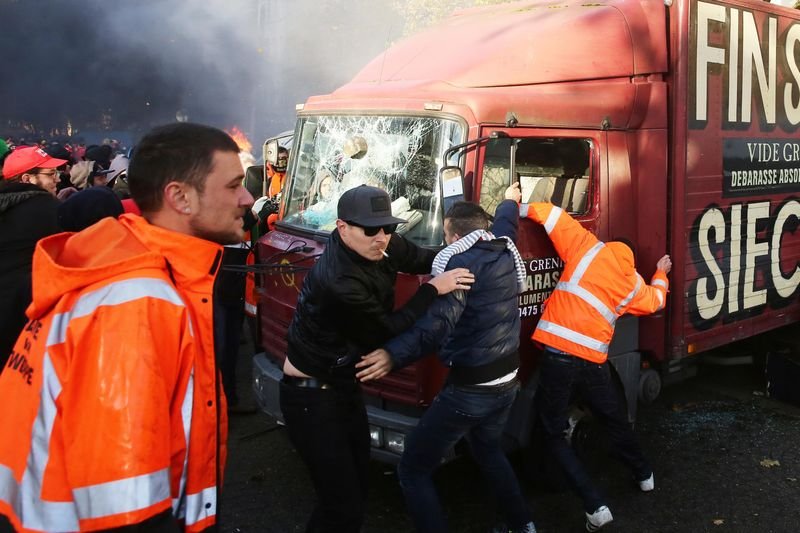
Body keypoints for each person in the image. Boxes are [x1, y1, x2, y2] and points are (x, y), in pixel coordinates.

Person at [0, 123, 254, 532]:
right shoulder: (134, 304)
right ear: (180, 197)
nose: (247, 198)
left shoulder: (136, 268)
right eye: (234, 185)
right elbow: (122, 503)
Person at [280, 184, 474, 532]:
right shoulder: (339, 281)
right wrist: (432, 288)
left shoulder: (382, 245)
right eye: (371, 229)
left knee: (356, 489)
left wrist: (468, 250)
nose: (382, 237)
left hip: (343, 386)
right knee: (341, 506)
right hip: (309, 397)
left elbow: (424, 258)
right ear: (342, 228)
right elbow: (387, 330)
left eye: (388, 227)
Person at [356, 184, 536, 533]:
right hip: (508, 381)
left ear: (452, 235)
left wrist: (391, 355)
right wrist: (509, 201)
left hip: (472, 389)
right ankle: (523, 524)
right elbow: (506, 222)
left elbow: (434, 328)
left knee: (413, 468)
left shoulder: (458, 267)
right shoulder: (502, 246)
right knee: (488, 451)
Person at [520, 201, 671, 531]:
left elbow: (553, 215)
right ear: (631, 260)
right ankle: (644, 475)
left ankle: (595, 506)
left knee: (552, 433)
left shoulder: (587, 247)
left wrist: (517, 206)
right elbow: (657, 300)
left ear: (612, 244)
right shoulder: (631, 282)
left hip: (558, 355)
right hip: (592, 361)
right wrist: (661, 272)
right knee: (614, 418)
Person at [0, 147, 64, 369]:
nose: (57, 178)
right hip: (28, 319)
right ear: (27, 178)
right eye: (50, 174)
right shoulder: (50, 209)